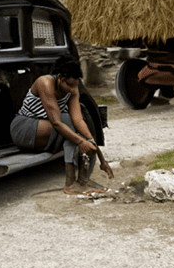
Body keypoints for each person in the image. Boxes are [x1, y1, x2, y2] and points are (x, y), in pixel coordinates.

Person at [10, 56, 114, 195]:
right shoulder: (45, 83)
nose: (72, 89)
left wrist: (101, 158)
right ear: (60, 78)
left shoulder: (73, 89)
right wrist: (80, 141)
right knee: (67, 123)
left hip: (48, 130)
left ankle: (83, 180)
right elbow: (57, 123)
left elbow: (79, 121)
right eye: (69, 85)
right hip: (24, 128)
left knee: (81, 126)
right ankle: (70, 184)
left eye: (75, 85)